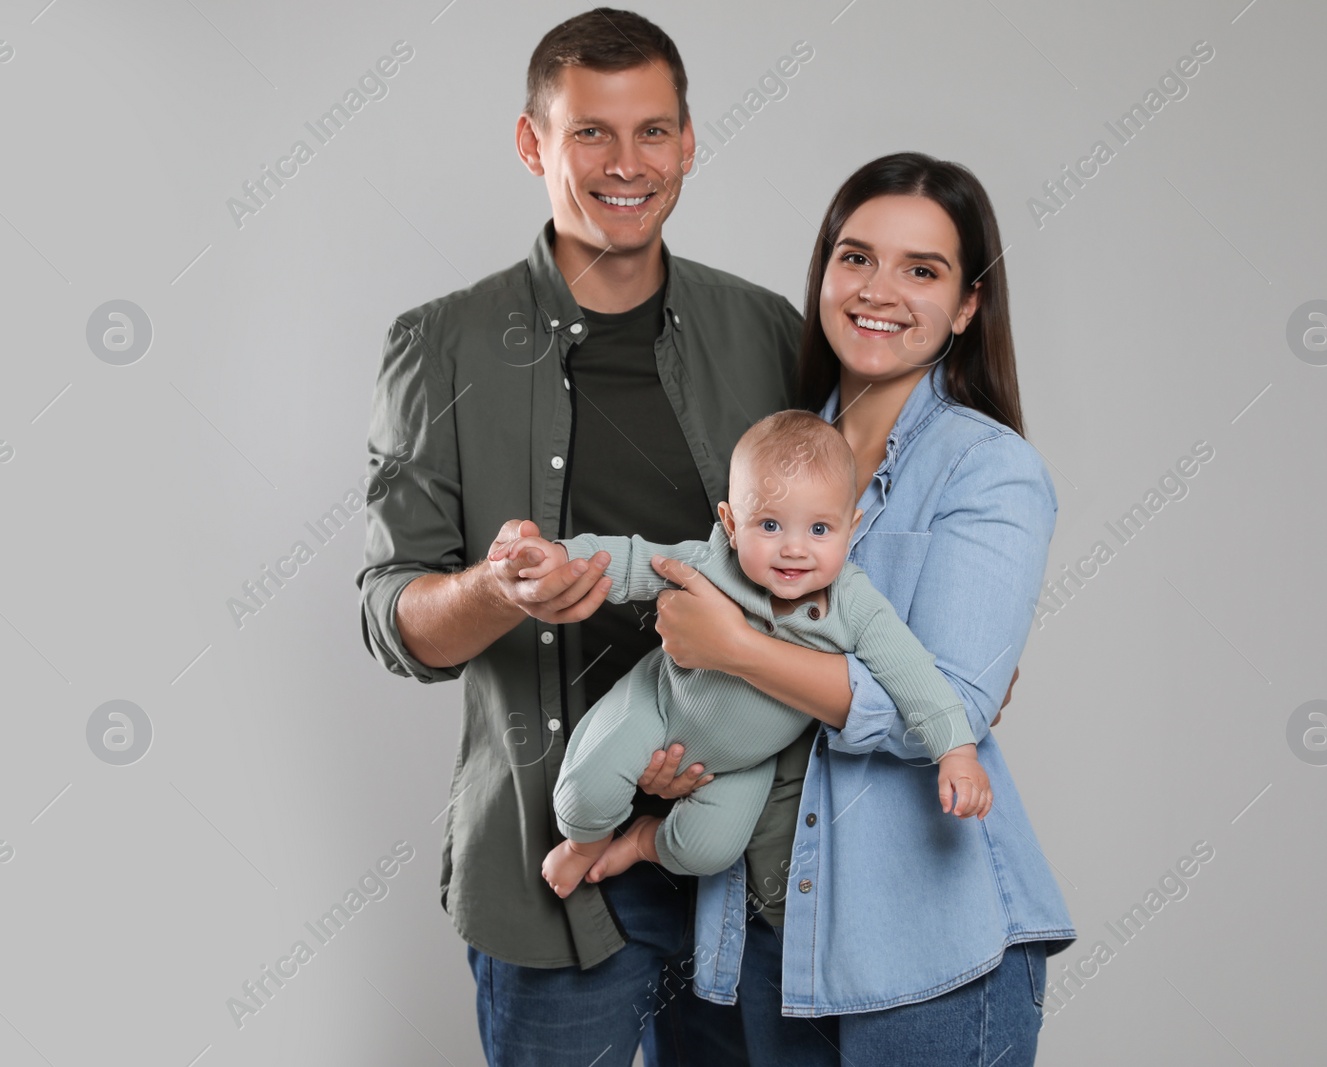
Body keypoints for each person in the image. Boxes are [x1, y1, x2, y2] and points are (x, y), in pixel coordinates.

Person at [355, 10, 1023, 1066]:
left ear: (689, 141)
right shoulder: (441, 344)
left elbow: (852, 538)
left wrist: (946, 676)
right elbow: (395, 622)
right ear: (533, 144)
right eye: (590, 134)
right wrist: (498, 587)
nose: (627, 164)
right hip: (550, 876)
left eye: (653, 132)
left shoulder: (764, 329)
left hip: (747, 887)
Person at [575, 153, 1079, 1065]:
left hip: (925, 949)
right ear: (823, 276)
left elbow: (953, 705)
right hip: (766, 936)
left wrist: (733, 650)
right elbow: (738, 682)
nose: (879, 290)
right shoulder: (776, 453)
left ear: (966, 306)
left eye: (922, 270)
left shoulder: (987, 468)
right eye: (856, 258)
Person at [507, 410, 991, 899]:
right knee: (584, 796)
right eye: (771, 525)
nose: (795, 549)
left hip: (742, 763)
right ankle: (584, 847)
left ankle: (641, 843)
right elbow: (633, 558)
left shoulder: (856, 606)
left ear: (852, 525)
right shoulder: (710, 564)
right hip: (659, 704)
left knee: (708, 852)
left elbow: (911, 672)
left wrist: (956, 750)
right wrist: (564, 557)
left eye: (820, 529)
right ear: (731, 524)